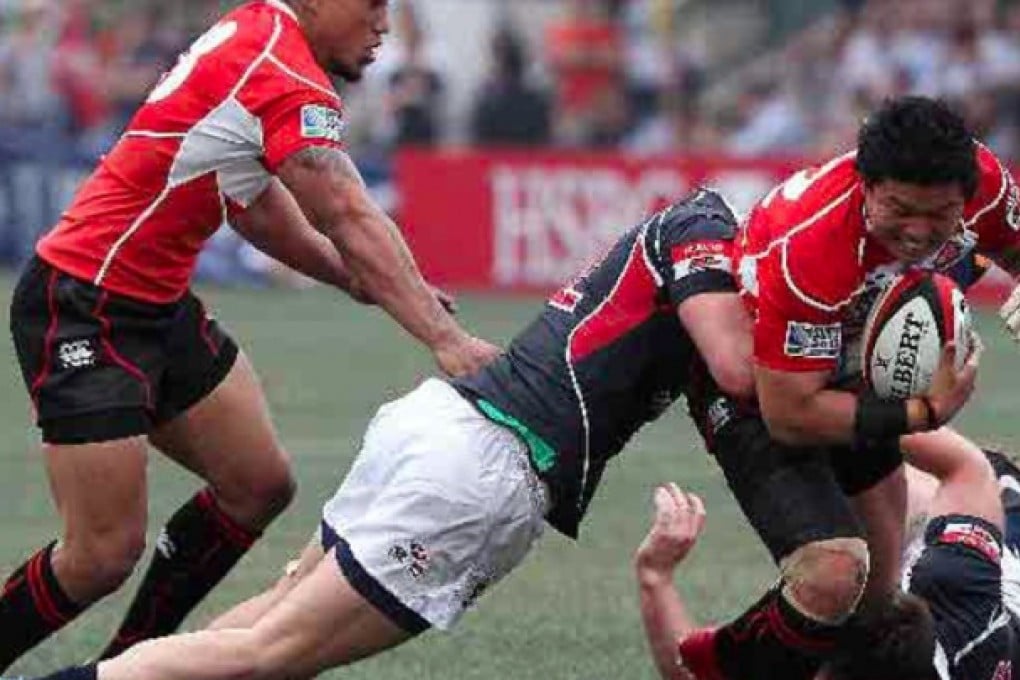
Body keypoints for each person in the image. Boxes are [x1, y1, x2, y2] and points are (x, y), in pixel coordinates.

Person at [17, 186, 762, 680]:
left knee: (270, 623)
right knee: (267, 653)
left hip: (445, 427)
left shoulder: (700, 244)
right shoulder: (709, 232)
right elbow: (738, 373)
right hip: (485, 471)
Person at [0, 0, 499, 669]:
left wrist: (349, 278)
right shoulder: (281, 71)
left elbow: (254, 207)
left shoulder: (261, 28)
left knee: (257, 484)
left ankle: (125, 667)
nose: (384, 22)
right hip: (83, 304)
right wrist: (447, 339)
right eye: (372, 4)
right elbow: (346, 211)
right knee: (101, 555)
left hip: (157, 304)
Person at [671, 95, 1018, 680]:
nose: (920, 230)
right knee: (835, 575)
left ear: (966, 193)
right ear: (866, 186)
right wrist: (923, 412)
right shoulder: (814, 245)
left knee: (876, 607)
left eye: (940, 214)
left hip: (855, 360)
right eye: (900, 209)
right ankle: (723, 663)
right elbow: (790, 414)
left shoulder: (984, 183)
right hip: (761, 386)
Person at [633, 436, 1020, 680]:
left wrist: (655, 576)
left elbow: (693, 672)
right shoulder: (958, 582)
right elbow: (967, 468)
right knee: (887, 490)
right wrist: (845, 414)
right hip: (1000, 558)